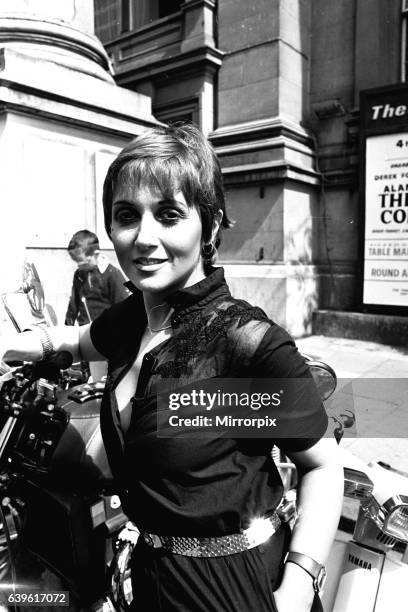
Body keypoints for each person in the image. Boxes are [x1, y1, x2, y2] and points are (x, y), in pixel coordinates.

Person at [0, 124, 343, 612]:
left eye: (168, 214)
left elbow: (323, 467)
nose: (143, 238)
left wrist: (296, 587)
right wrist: (22, 345)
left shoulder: (248, 343)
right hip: (153, 574)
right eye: (126, 216)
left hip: (237, 585)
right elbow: (77, 340)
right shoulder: (133, 314)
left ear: (210, 224)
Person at [65, 229, 129, 325]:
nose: (78, 266)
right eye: (76, 261)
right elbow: (73, 304)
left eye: (82, 262)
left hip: (106, 331)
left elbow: (124, 307)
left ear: (95, 254)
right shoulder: (79, 274)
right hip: (84, 330)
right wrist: (68, 327)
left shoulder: (112, 274)